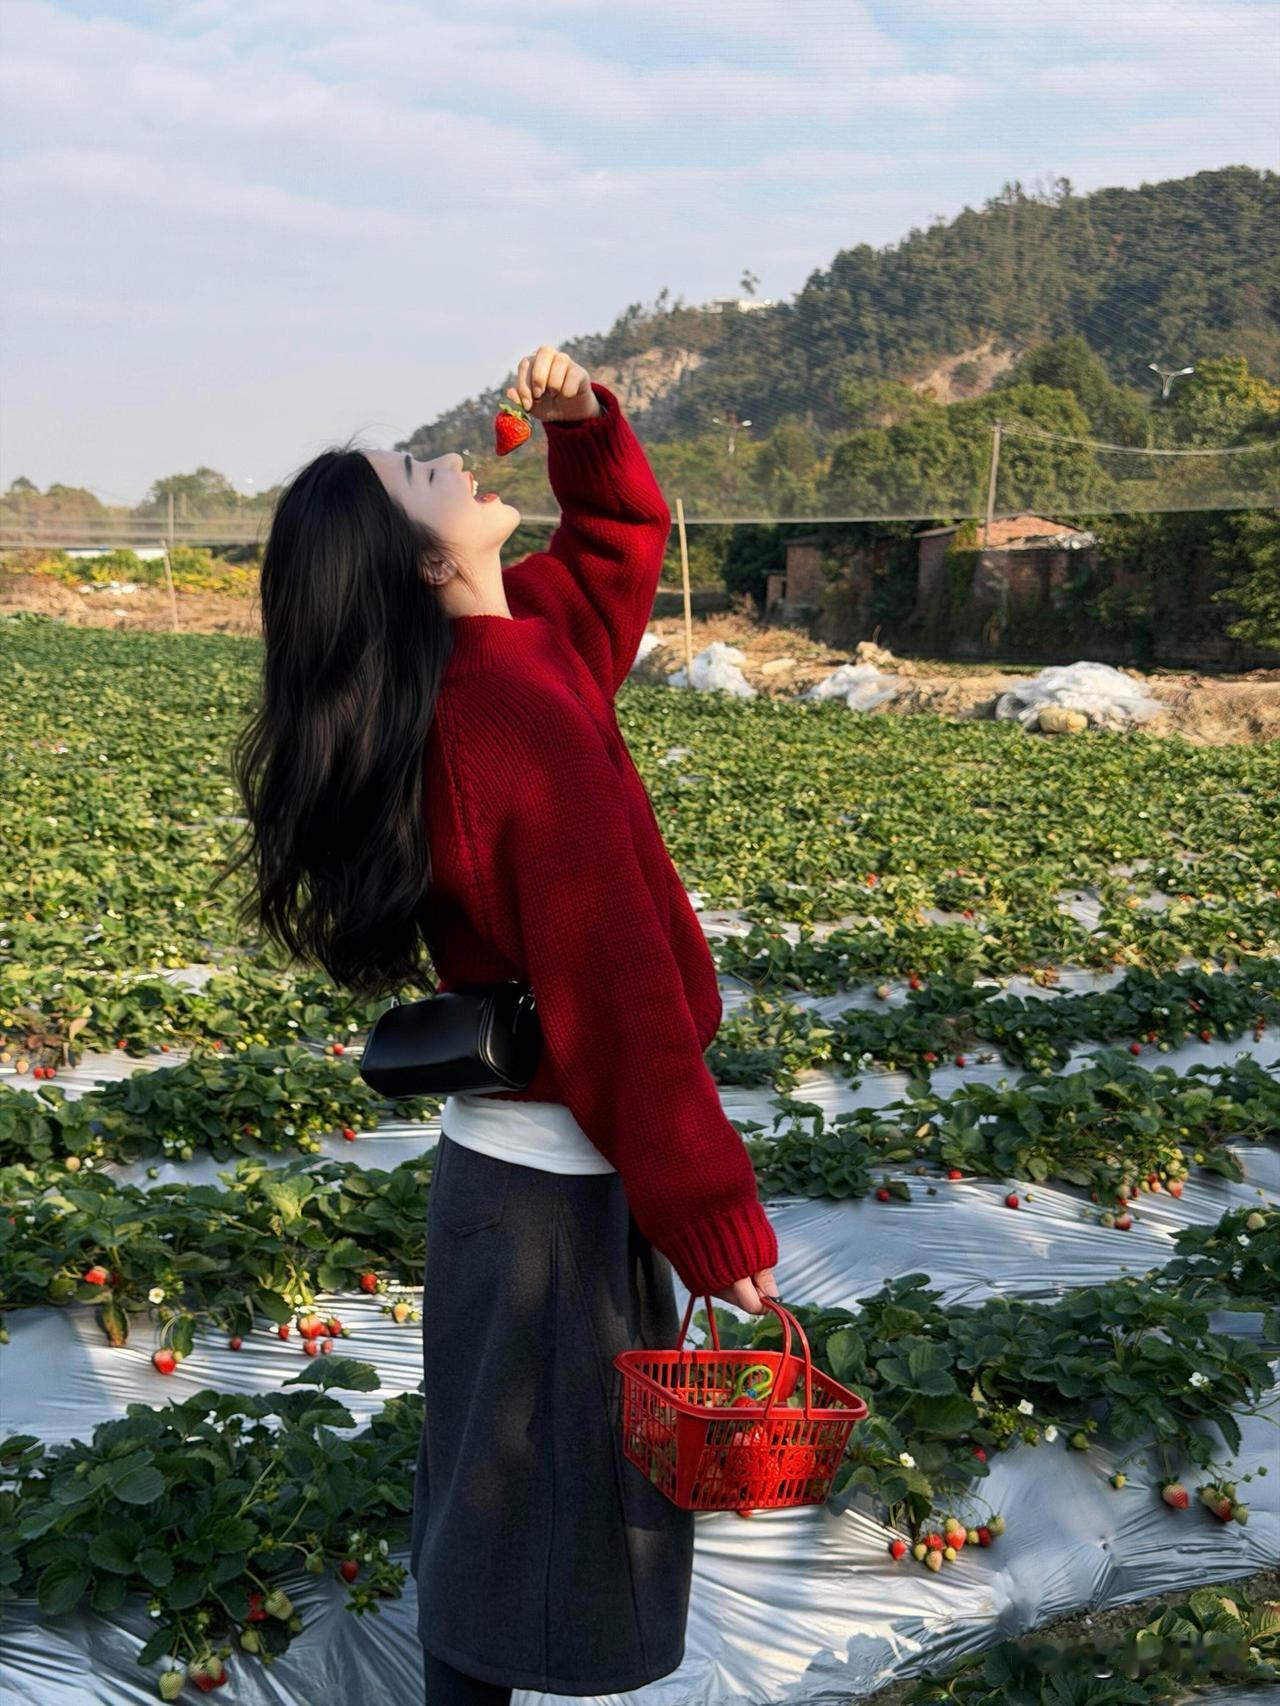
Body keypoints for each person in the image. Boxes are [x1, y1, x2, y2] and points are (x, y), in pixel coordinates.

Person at [214, 346, 780, 1704]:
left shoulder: (504, 655)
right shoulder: (505, 715)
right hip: (554, 1198)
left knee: (494, 1505)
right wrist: (715, 1218)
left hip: (513, 1176)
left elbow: (615, 557)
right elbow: (622, 995)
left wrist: (589, 433)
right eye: (423, 473)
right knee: (533, 1517)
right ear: (419, 561)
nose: (456, 455)